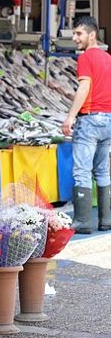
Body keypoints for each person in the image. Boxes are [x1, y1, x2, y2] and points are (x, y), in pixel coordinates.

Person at [61, 17, 111, 234]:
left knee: (82, 171)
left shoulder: (86, 57)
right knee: (102, 171)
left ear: (92, 35)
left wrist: (70, 116)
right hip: (108, 119)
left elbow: (84, 88)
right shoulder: (108, 58)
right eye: (74, 33)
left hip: (90, 120)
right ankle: (106, 219)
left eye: (79, 33)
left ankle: (82, 220)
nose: (74, 38)